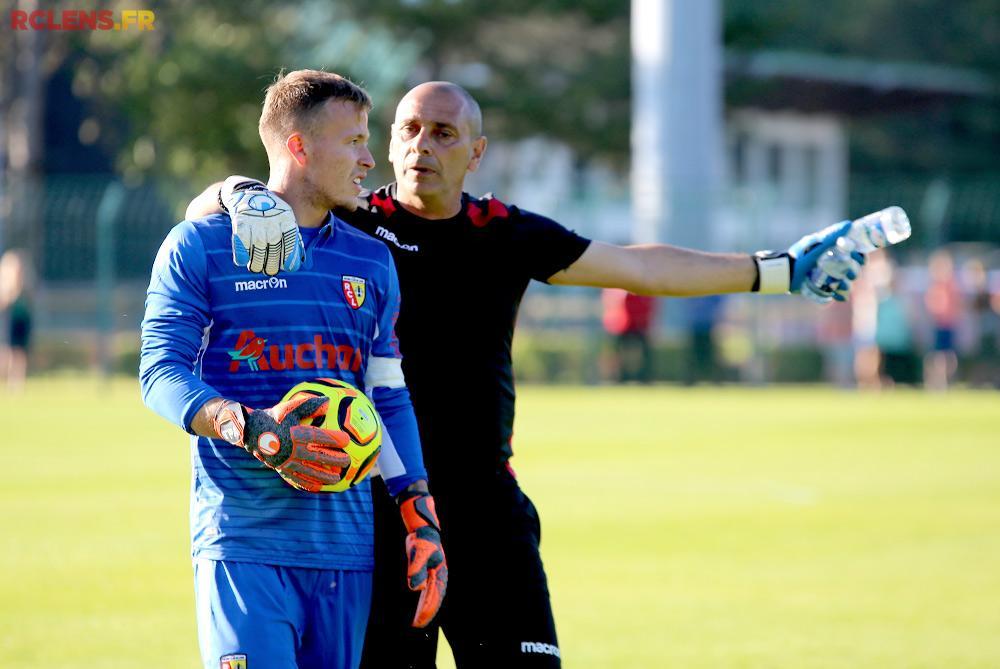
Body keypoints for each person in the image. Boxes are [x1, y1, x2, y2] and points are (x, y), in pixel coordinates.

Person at [187, 80, 865, 668]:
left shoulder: (504, 232)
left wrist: (779, 270)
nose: (422, 145)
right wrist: (235, 190)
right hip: (380, 510)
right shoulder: (352, 221)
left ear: (475, 153)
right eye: (409, 130)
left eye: (444, 133)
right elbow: (220, 209)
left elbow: (641, 268)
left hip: (488, 513)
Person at [141, 70, 447, 669]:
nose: (367, 158)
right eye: (353, 141)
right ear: (300, 148)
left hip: (344, 549)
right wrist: (252, 428)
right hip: (243, 541)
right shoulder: (198, 246)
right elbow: (159, 373)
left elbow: (386, 397)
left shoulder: (372, 260)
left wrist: (418, 512)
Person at [600, 287, 657, 383]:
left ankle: (644, 378)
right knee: (617, 353)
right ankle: (619, 378)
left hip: (638, 325)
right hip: (621, 325)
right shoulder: (618, 290)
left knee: (644, 353)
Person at [0, 249, 34, 392]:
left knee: (19, 352)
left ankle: (16, 383)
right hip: (8, 320)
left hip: (20, 321)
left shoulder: (25, 284)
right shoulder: (5, 284)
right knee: (6, 351)